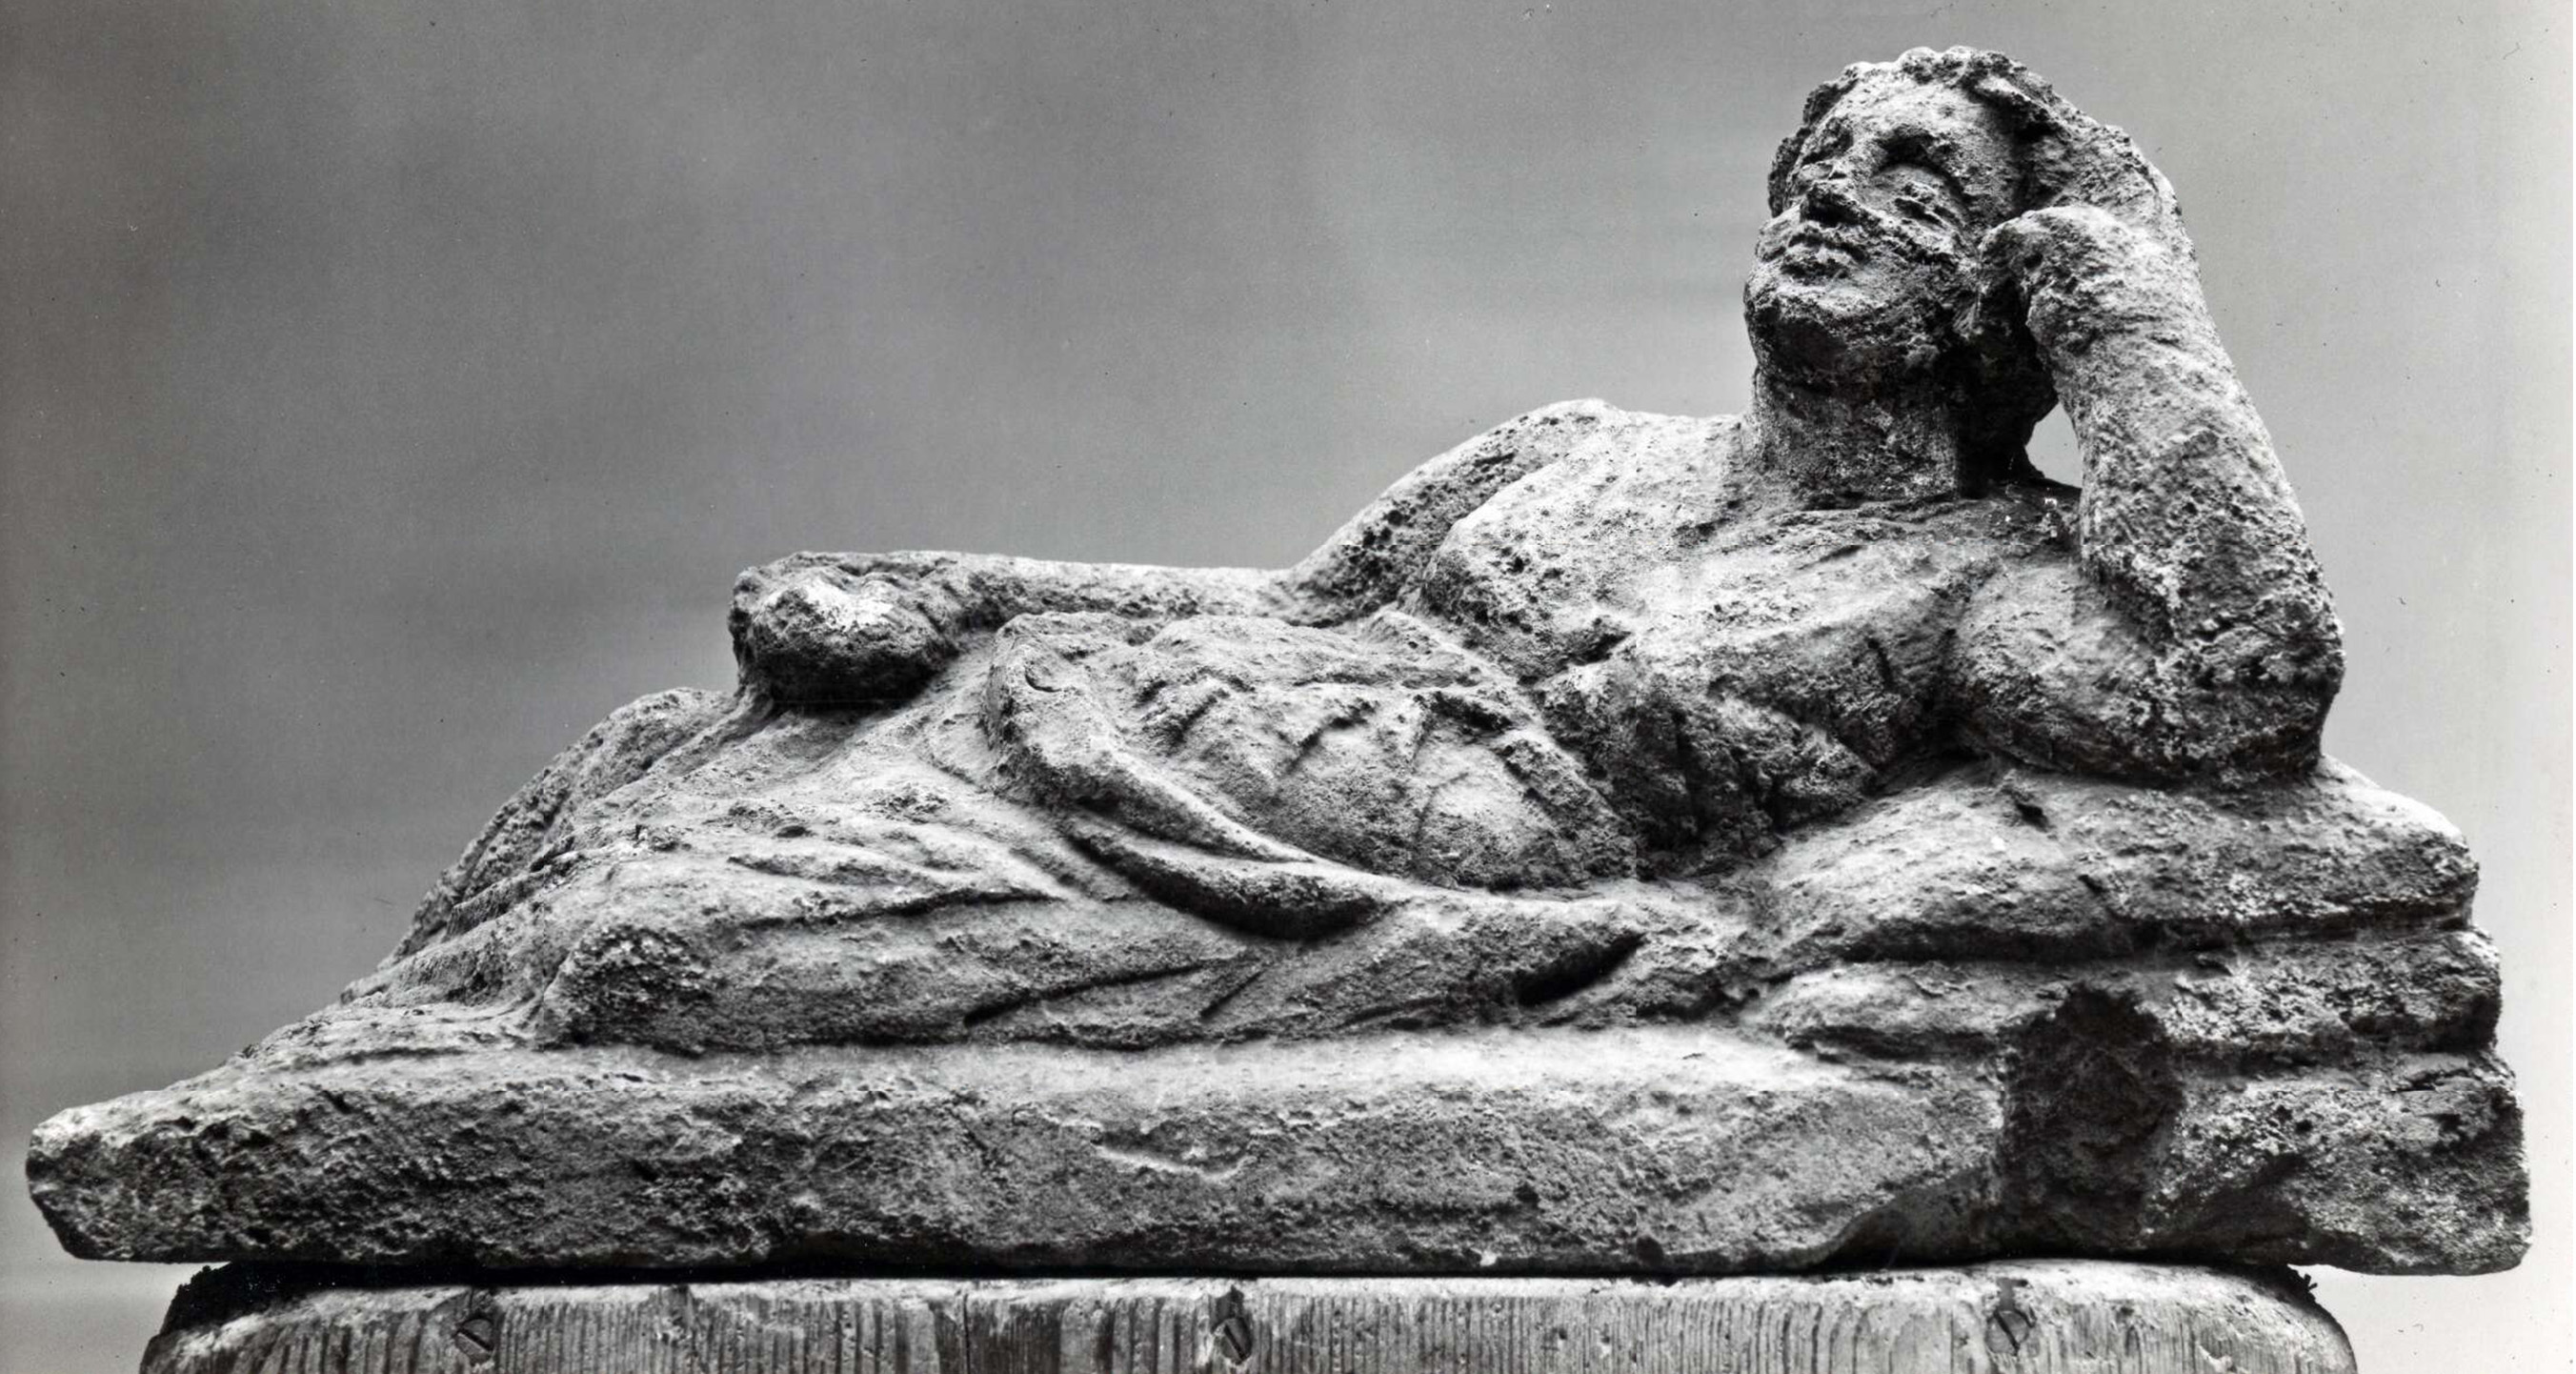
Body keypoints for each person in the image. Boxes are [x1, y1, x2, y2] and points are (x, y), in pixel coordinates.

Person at [716, 47, 2340, 912]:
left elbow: (2239, 693)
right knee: (698, 803)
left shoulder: (1988, 579)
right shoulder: (1568, 448)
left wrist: (2136, 324)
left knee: (738, 921)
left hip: (1275, 866)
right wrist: (957, 594)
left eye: (1917, 185)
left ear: (2010, 299)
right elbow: (1296, 608)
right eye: (1817, 167)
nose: (1832, 197)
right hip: (1141, 735)